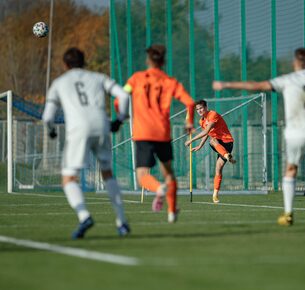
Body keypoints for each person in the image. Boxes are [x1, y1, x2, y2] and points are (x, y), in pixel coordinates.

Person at [213, 47, 305, 227]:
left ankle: (288, 214)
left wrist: (227, 84)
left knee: (291, 171)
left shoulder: (288, 80)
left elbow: (257, 85)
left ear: (295, 62)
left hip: (295, 134)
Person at [42, 47, 131, 239]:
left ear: (65, 65)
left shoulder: (59, 82)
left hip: (78, 129)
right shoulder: (98, 77)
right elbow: (124, 95)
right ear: (84, 61)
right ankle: (122, 222)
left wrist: (50, 131)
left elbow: (47, 116)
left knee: (68, 177)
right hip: (102, 124)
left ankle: (84, 217)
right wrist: (119, 120)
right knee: (107, 173)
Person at [118, 44, 195, 223]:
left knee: (143, 175)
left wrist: (121, 114)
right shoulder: (171, 82)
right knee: (169, 173)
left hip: (143, 133)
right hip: (162, 133)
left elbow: (122, 96)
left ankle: (159, 189)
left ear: (148, 60)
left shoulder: (136, 79)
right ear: (164, 61)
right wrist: (189, 121)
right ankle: (172, 211)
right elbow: (190, 103)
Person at [184, 100, 236, 203]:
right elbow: (208, 134)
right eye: (197, 109)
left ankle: (226, 155)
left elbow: (206, 131)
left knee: (214, 144)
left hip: (227, 142)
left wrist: (191, 140)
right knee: (217, 167)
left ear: (206, 107)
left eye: (201, 108)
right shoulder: (201, 121)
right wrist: (199, 145)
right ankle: (215, 195)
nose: (199, 111)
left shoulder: (213, 114)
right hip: (218, 145)